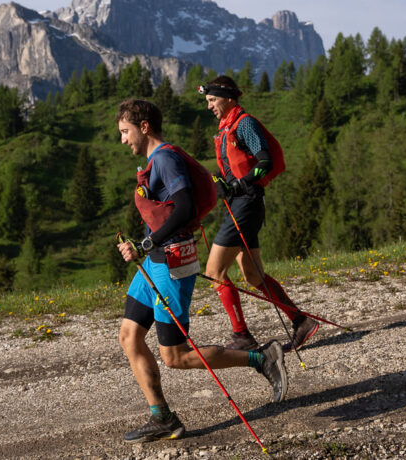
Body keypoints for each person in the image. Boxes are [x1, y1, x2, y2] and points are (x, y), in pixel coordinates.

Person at [115, 98, 287, 443]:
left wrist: (146, 244)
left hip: (171, 262)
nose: (123, 140)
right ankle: (162, 417)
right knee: (129, 336)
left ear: (144, 126)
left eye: (125, 131)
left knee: (175, 356)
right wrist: (146, 246)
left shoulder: (164, 158)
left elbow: (185, 208)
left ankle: (262, 358)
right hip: (153, 261)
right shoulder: (155, 160)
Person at [201, 76, 319, 352]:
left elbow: (265, 161)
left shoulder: (245, 123)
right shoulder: (228, 127)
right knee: (253, 276)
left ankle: (242, 335)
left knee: (214, 271)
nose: (209, 107)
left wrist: (240, 184)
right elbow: (235, 168)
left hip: (247, 204)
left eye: (212, 100)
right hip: (243, 204)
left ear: (228, 98)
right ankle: (301, 322)